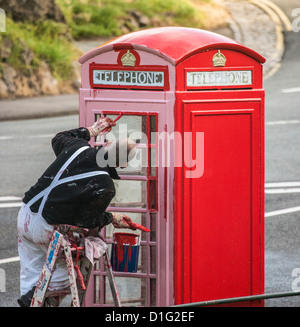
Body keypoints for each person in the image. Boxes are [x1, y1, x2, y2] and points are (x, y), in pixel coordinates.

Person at [17, 117, 136, 307]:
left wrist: (91, 130)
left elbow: (59, 138)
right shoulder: (105, 186)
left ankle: (31, 299)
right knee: (64, 276)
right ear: (122, 165)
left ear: (108, 143)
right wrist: (112, 218)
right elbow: (86, 220)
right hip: (47, 228)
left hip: (25, 215)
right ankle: (30, 299)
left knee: (32, 271)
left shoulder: (77, 148)